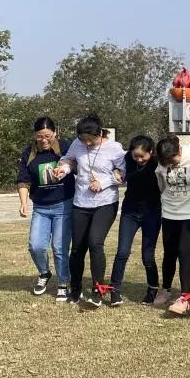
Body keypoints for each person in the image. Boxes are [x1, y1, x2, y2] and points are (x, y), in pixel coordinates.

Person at [52, 116, 126, 307]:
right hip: (81, 202)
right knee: (77, 248)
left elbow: (123, 174)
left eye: (90, 139)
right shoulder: (78, 144)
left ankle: (98, 288)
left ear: (99, 133)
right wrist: (64, 169)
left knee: (95, 242)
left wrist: (103, 182)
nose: (87, 143)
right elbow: (68, 159)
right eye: (83, 139)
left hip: (105, 202)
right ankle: (75, 289)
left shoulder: (115, 148)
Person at [17, 117, 75, 301]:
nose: (43, 140)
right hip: (41, 208)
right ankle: (44, 273)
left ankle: (63, 283)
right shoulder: (29, 153)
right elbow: (23, 180)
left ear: (55, 133)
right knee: (36, 246)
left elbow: (75, 165)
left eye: (47, 136)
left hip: (63, 205)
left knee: (59, 247)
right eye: (39, 137)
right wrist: (24, 202)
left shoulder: (66, 148)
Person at [154, 135, 190, 316]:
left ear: (179, 150)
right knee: (169, 252)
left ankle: (185, 296)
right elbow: (161, 185)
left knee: (184, 251)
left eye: (173, 159)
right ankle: (166, 289)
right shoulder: (162, 163)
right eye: (167, 161)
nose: (172, 163)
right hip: (169, 212)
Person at [109, 135, 162, 306]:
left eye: (142, 156)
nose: (138, 159)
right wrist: (116, 171)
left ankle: (152, 289)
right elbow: (114, 164)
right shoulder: (127, 158)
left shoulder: (157, 162)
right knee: (122, 252)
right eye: (135, 156)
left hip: (151, 212)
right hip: (130, 211)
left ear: (151, 152)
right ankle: (114, 289)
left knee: (147, 255)